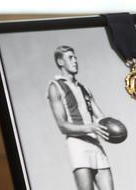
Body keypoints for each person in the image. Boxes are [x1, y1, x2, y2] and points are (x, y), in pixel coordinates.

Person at [47, 45, 115, 190]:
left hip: (95, 144)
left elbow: (102, 118)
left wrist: (112, 128)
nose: (75, 61)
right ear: (60, 62)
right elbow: (62, 126)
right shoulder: (55, 86)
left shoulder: (84, 89)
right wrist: (90, 127)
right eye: (70, 58)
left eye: (75, 58)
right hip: (77, 145)